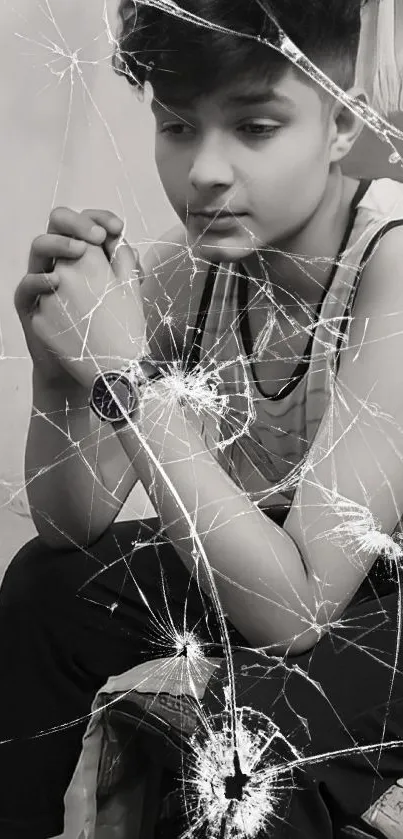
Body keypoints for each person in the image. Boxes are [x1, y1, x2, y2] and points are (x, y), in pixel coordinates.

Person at [2, 0, 403, 836]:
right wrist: (61, 375)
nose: (205, 172)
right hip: (296, 566)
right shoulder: (190, 270)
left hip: (380, 599)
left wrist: (123, 369)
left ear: (337, 122)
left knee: (249, 723)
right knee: (44, 587)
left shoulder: (391, 266)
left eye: (254, 128)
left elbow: (295, 612)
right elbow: (72, 527)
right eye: (178, 127)